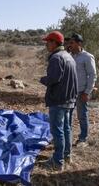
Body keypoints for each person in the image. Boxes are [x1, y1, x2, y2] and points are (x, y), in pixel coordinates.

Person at [40, 31, 78, 171]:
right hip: (69, 99)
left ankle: (57, 162)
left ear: (55, 43)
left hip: (58, 99)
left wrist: (42, 79)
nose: (46, 45)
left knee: (57, 130)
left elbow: (53, 79)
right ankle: (67, 156)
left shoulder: (56, 58)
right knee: (66, 128)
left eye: (48, 42)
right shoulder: (68, 56)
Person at [69, 33, 97, 147]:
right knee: (68, 115)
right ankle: (68, 138)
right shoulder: (70, 56)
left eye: (72, 42)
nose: (70, 45)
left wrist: (87, 92)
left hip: (81, 92)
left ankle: (83, 138)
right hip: (70, 91)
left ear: (79, 43)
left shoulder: (87, 57)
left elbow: (92, 75)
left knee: (82, 115)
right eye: (69, 42)